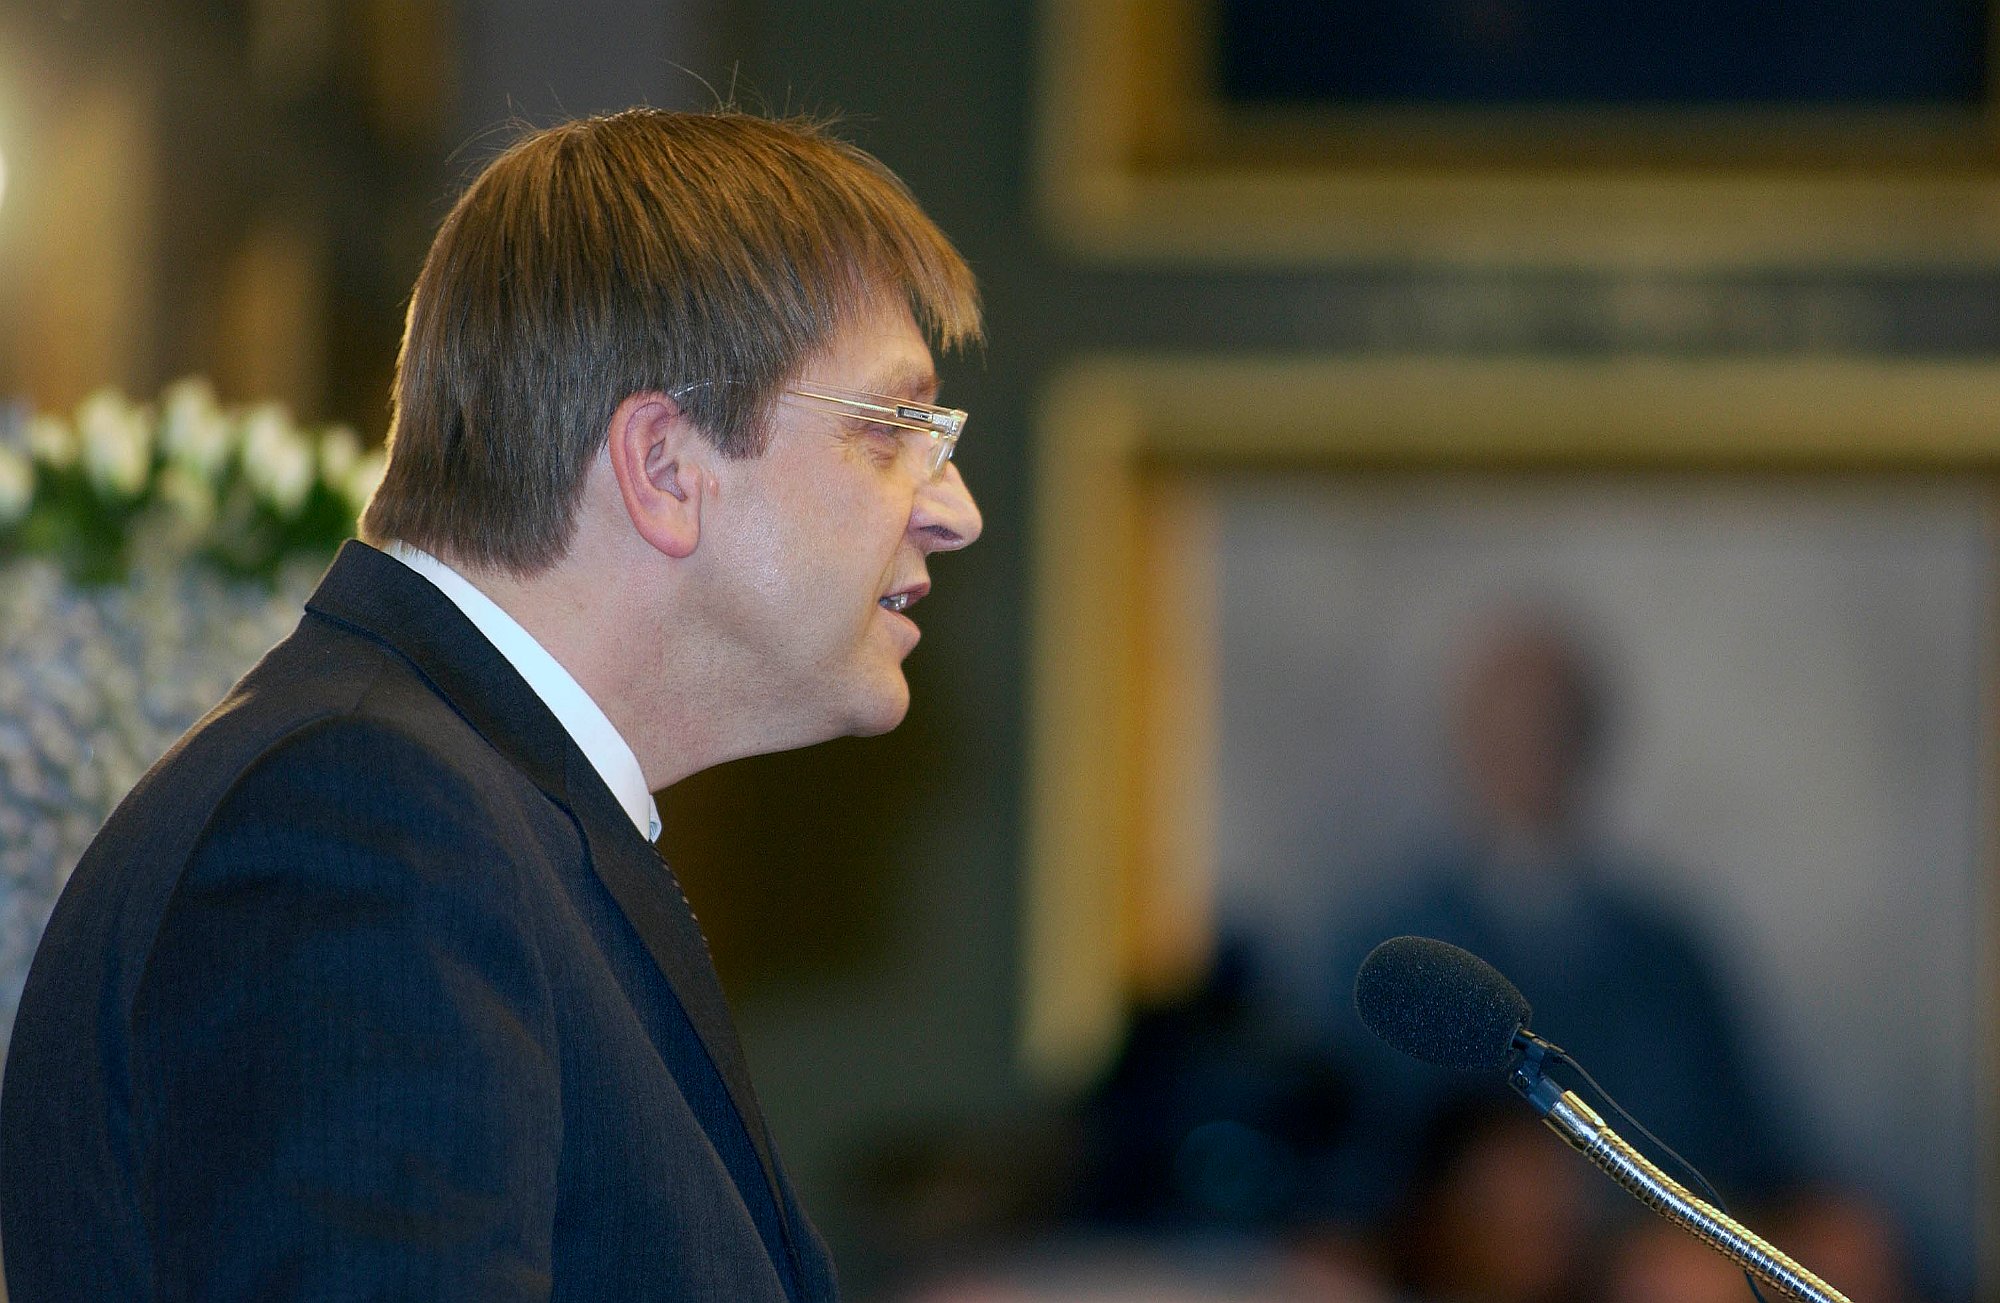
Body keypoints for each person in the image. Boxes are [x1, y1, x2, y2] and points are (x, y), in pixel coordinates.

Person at [0, 107, 983, 1301]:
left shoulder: (458, 810)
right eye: (893, 429)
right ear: (665, 467)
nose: (953, 507)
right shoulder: (365, 823)